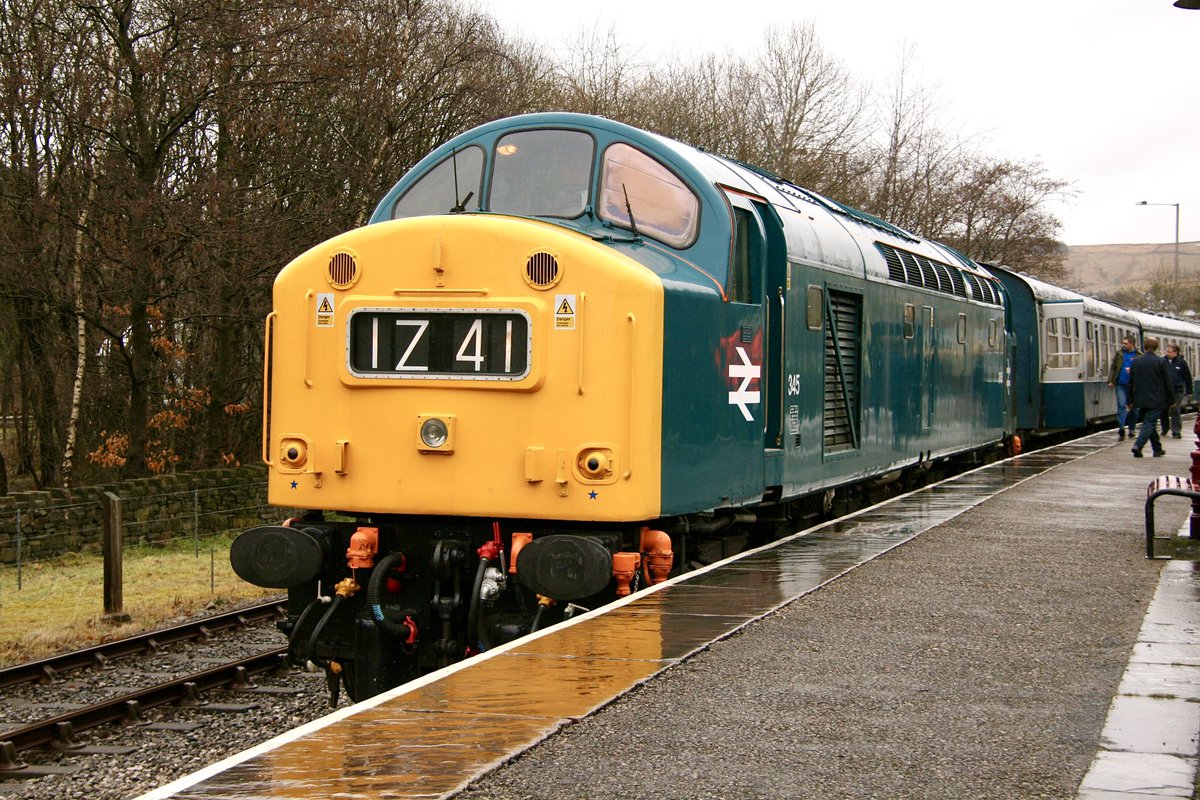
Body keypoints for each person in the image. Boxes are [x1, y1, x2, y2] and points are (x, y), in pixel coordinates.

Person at [1129, 336, 1175, 457]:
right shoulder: (1161, 362)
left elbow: (1131, 382)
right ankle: (1138, 445)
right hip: (1157, 399)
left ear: (1144, 347)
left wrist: (1130, 400)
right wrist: (1172, 399)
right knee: (1149, 423)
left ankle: (1157, 448)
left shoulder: (1136, 361)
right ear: (1156, 347)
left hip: (1140, 398)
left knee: (1149, 422)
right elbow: (1167, 382)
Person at [1108, 336, 1140, 441]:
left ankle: (1131, 428)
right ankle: (1121, 428)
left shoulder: (1139, 356)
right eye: (1123, 343)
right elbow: (1113, 367)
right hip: (1120, 384)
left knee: (1134, 408)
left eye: (1126, 343)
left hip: (1134, 386)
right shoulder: (1119, 354)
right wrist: (1111, 380)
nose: (1123, 345)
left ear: (1132, 344)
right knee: (1121, 405)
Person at [1164, 343, 1193, 439]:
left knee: (1175, 410)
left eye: (1169, 351)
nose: (1167, 353)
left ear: (1175, 352)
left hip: (1177, 391)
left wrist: (1189, 391)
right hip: (1164, 391)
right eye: (1167, 351)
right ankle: (1165, 427)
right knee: (1163, 410)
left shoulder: (1181, 363)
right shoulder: (1162, 361)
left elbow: (1187, 377)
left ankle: (1176, 431)